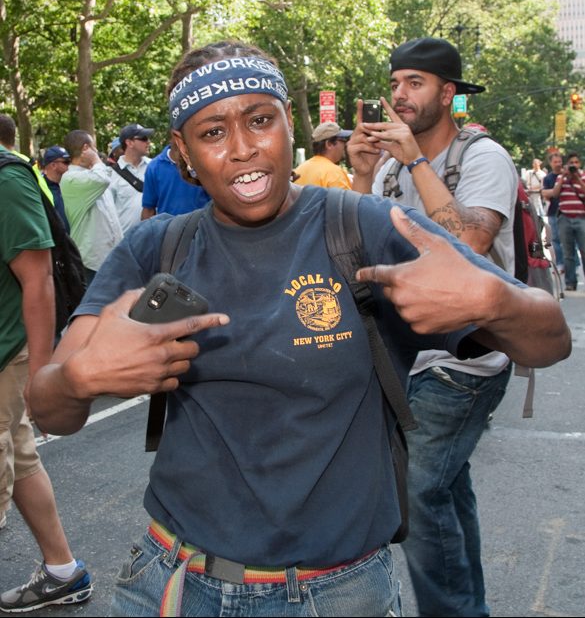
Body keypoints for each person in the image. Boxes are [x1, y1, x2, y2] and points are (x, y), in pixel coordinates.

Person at [28, 41, 570, 618]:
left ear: (291, 123)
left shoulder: (362, 225)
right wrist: (79, 379)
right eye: (212, 133)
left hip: (336, 594)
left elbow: (549, 340)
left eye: (260, 120)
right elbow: (50, 410)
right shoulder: (154, 247)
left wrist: (493, 300)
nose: (242, 150)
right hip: (171, 584)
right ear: (183, 153)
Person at [349, 36, 520, 618]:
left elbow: (470, 244)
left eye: (415, 83)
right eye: (395, 82)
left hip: (466, 361)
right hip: (409, 356)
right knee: (443, 489)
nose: (399, 95)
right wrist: (364, 175)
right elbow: (356, 242)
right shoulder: (393, 161)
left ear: (448, 94)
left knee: (417, 495)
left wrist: (417, 162)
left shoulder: (481, 156)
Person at [0, 146, 92, 613]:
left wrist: (41, 380)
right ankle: (63, 571)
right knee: (19, 456)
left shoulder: (6, 179)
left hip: (3, 355)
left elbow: (38, 281)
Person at [60, 130, 123, 286]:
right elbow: (102, 179)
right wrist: (95, 159)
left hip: (110, 257)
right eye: (94, 148)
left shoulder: (93, 174)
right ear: (86, 148)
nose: (97, 152)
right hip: (92, 261)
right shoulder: (71, 178)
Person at [543, 151, 585, 291]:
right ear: (567, 164)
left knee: (584, 250)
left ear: (579, 164)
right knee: (568, 253)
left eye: (576, 163)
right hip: (564, 218)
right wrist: (563, 178)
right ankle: (570, 282)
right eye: (571, 163)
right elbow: (554, 193)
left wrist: (577, 179)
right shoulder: (561, 177)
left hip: (581, 217)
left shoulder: (583, 176)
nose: (574, 165)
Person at [141, 137, 210, 219]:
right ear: (172, 136)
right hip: (167, 228)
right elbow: (148, 209)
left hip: (201, 226)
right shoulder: (154, 167)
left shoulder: (202, 161)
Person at [109, 124, 153, 234]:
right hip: (125, 242)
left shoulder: (154, 167)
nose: (148, 142)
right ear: (129, 143)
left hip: (154, 237)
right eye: (144, 138)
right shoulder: (111, 174)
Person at [293, 121, 352, 188]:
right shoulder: (334, 173)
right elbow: (348, 198)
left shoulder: (299, 170)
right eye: (343, 140)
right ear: (329, 144)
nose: (346, 144)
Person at [542, 152, 565, 270]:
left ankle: (573, 266)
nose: (558, 164)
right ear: (551, 163)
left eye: (559, 161)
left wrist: (552, 192)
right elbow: (545, 194)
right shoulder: (548, 178)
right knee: (556, 239)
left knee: (570, 241)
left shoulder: (568, 175)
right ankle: (560, 263)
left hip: (567, 213)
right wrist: (555, 191)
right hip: (553, 212)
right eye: (555, 162)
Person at [41, 145, 71, 233]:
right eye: (66, 162)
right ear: (53, 165)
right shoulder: (42, 189)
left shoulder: (69, 185)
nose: (70, 165)